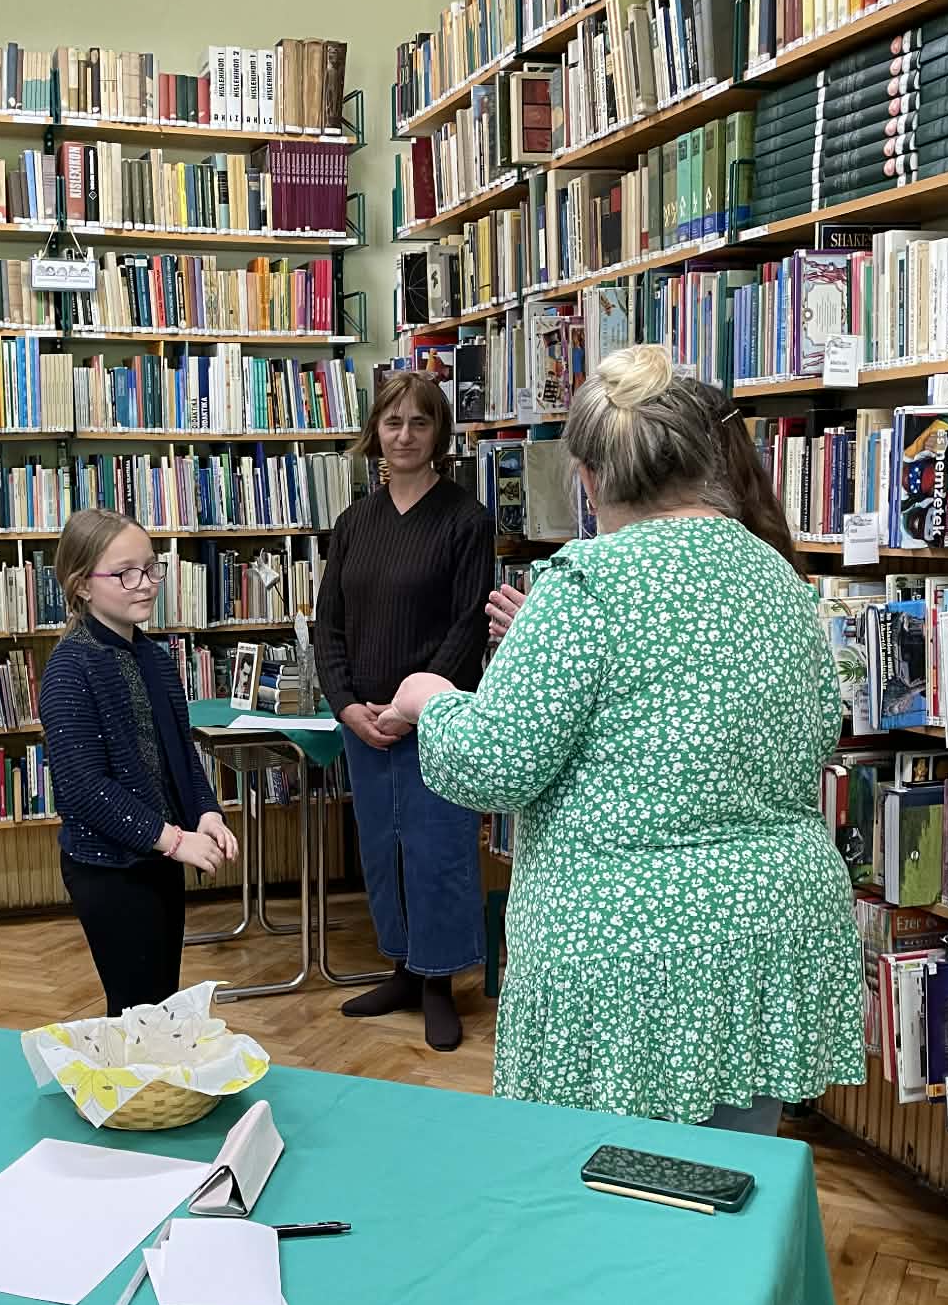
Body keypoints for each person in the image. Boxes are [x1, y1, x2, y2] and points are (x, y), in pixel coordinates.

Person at [382, 344, 863, 1131]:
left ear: (589, 476)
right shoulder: (777, 577)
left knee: (611, 1181)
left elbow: (495, 764)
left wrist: (430, 701)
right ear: (701, 459)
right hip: (772, 931)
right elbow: (815, 730)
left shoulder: (587, 583)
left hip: (629, 952)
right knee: (731, 1173)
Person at [314, 369, 494, 1051]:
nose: (406, 435)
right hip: (365, 725)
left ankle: (439, 982)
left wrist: (414, 707)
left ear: (439, 432)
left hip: (435, 721)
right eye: (393, 422)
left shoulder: (465, 520)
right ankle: (402, 970)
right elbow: (329, 625)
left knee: (437, 850)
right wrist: (346, 706)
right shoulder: (353, 524)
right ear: (376, 433)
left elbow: (468, 627)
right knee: (382, 848)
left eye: (420, 422)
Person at [39, 508, 239, 1016]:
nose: (146, 583)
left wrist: (206, 812)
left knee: (158, 1004)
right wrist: (175, 840)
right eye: (126, 573)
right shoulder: (70, 668)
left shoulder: (155, 657)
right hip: (109, 868)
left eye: (151, 568)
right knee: (135, 1009)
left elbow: (181, 753)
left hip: (159, 857)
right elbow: (84, 788)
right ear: (82, 585)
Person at [484, 380, 800, 643]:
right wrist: (554, 630)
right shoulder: (770, 565)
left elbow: (668, 650)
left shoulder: (596, 573)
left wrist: (550, 635)